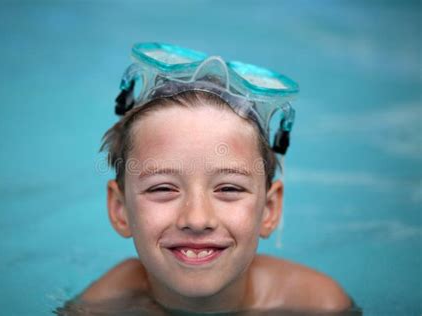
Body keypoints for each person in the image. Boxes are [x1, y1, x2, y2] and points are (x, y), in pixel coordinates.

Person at [74, 43, 353, 314]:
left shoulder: (316, 305)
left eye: (229, 188)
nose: (197, 220)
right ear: (120, 210)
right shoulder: (102, 306)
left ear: (269, 210)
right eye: (163, 188)